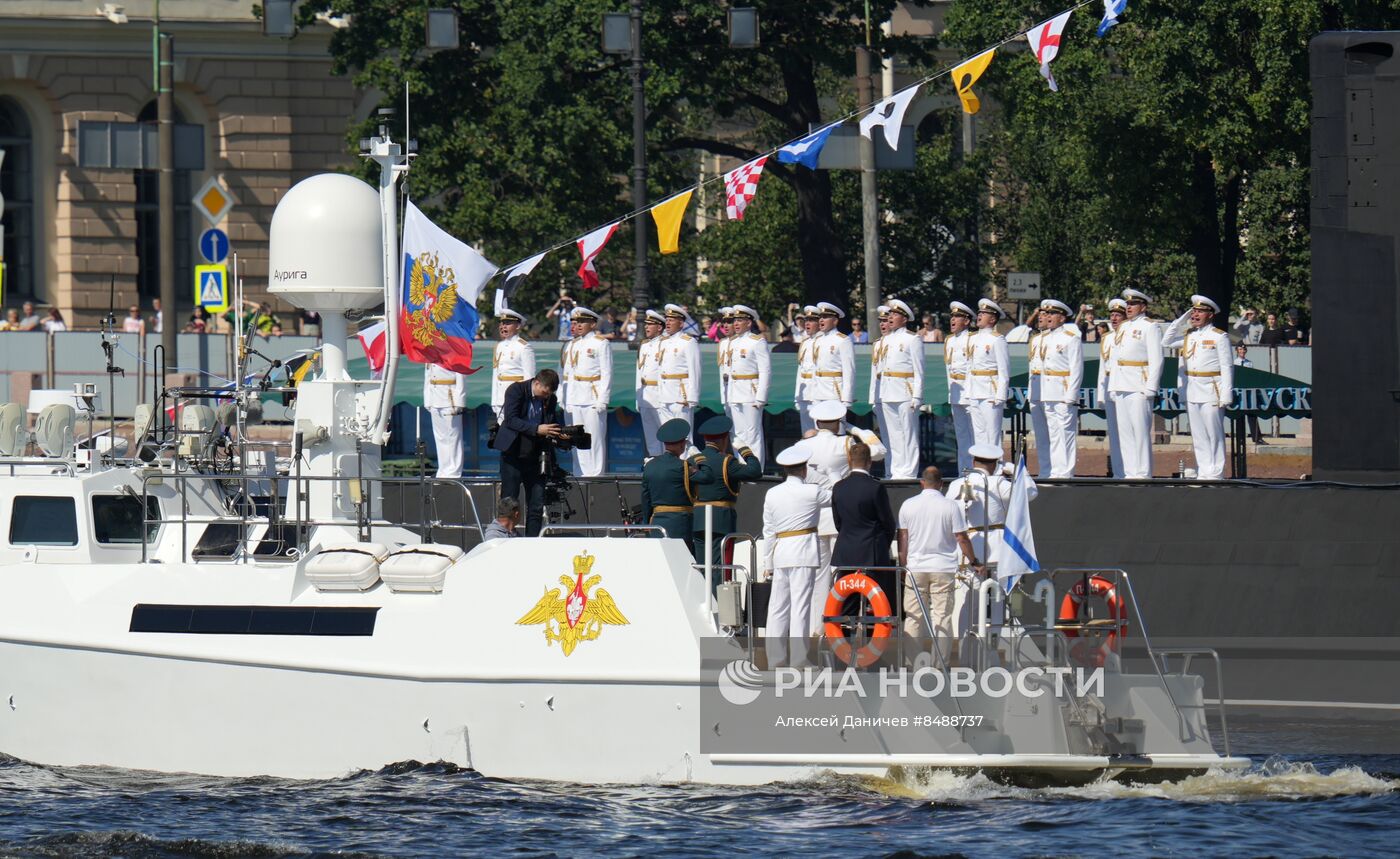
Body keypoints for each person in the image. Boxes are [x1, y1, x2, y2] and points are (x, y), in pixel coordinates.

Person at [899, 466, 980, 661]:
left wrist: (904, 565)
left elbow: (903, 538)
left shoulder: (907, 505)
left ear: (922, 483)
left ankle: (913, 663)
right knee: (942, 617)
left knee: (913, 617)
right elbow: (961, 538)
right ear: (941, 484)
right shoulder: (951, 506)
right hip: (942, 568)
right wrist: (974, 561)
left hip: (915, 567)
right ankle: (939, 665)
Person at [762, 441, 830, 667]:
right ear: (804, 469)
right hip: (803, 552)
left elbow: (769, 531)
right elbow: (837, 494)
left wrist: (768, 562)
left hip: (781, 552)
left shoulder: (772, 493)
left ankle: (775, 658)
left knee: (778, 607)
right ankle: (799, 659)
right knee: (800, 606)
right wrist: (830, 473)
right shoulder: (812, 490)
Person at [1162, 295, 1233, 480]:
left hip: (1211, 389)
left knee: (1213, 433)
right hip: (1192, 388)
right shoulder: (1189, 336)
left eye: (1199, 312)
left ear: (1210, 315)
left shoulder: (1219, 336)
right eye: (1193, 311)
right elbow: (1166, 341)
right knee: (1199, 434)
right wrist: (1182, 318)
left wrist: (1226, 393)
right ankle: (1204, 470)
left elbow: (1227, 366)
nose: (1195, 315)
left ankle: (1216, 472)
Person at [493, 369, 568, 537]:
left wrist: (560, 433)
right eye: (543, 392)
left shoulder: (550, 398)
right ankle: (505, 538)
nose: (544, 397)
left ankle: (532, 541)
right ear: (536, 383)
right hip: (513, 454)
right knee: (509, 502)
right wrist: (536, 429)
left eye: (548, 395)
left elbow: (550, 422)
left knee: (536, 504)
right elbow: (511, 419)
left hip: (536, 456)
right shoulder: (516, 390)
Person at [690, 415, 763, 583]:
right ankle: (717, 604)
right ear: (724, 439)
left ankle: (703, 601)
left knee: (701, 565)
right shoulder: (727, 462)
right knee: (720, 566)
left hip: (698, 518)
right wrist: (744, 450)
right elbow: (755, 471)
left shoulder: (693, 460)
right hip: (721, 520)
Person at [945, 443, 1037, 574]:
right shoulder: (998, 483)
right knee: (995, 594)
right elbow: (1031, 493)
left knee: (969, 593)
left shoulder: (955, 484)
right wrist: (1018, 470)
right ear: (995, 465)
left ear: (973, 462)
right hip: (996, 552)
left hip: (964, 552)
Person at [831, 442, 898, 603]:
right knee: (876, 604)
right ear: (869, 462)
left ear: (849, 462)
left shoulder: (838, 487)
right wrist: (883, 544)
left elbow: (838, 522)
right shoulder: (875, 487)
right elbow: (888, 523)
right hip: (872, 553)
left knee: (847, 604)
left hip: (846, 553)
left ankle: (845, 629)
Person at [1108, 288, 1163, 479]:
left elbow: (1157, 359)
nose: (1128, 307)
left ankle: (1143, 472)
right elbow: (1115, 358)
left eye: (1132, 304)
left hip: (1139, 384)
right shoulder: (1123, 327)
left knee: (1140, 431)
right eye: (1128, 304)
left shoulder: (1150, 326)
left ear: (1143, 306)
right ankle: (1130, 472)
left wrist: (1151, 387)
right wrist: (1113, 386)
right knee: (1125, 433)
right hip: (1122, 383)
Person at [640, 418, 714, 556]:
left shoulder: (650, 466)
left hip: (656, 523)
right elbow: (707, 476)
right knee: (681, 563)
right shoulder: (683, 467)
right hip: (679, 523)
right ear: (682, 444)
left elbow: (646, 499)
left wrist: (647, 523)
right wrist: (698, 456)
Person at [872, 298, 924, 479]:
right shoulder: (884, 341)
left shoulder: (912, 339)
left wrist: (917, 396)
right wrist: (874, 397)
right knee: (893, 436)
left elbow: (919, 371)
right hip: (887, 391)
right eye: (890, 314)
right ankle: (896, 471)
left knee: (909, 434)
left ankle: (909, 472)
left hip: (905, 391)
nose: (891, 317)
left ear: (904, 318)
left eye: (895, 314)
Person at [560, 305, 612, 476]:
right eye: (577, 321)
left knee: (594, 438)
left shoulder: (600, 343)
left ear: (593, 324)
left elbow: (606, 373)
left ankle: (596, 474)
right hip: (574, 397)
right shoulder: (571, 345)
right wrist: (563, 397)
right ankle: (579, 473)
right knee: (576, 438)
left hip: (592, 396)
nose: (579, 325)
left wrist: (603, 399)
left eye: (583, 321)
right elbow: (565, 374)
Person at [1036, 299, 1083, 479]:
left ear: (1062, 318)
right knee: (1054, 433)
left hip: (1063, 391)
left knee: (1066, 433)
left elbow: (1076, 368)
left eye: (1052, 314)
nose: (1048, 318)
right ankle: (1056, 470)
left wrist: (1072, 394)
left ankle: (1066, 471)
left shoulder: (1071, 339)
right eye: (1047, 314)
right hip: (1048, 391)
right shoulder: (1046, 339)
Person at [724, 305, 770, 462]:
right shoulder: (733, 342)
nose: (736, 324)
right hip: (735, 391)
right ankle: (742, 467)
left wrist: (761, 397)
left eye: (740, 320)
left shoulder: (757, 342)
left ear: (749, 323)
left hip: (751, 392)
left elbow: (765, 371)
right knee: (738, 434)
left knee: (753, 434)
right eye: (735, 321)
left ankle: (755, 470)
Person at [967, 299, 1009, 454]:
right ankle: (982, 469)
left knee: (992, 435)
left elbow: (1004, 370)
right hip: (975, 391)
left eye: (984, 314)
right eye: (979, 313)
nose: (979, 315)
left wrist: (1000, 395)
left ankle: (995, 469)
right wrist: (968, 393)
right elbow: (969, 369)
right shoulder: (972, 339)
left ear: (992, 319)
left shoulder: (997, 339)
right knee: (979, 435)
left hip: (990, 391)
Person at [657, 304, 701, 428]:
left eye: (671, 320)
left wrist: (692, 397)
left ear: (681, 324)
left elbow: (695, 370)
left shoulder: (688, 342)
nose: (667, 323)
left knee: (684, 436)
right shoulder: (664, 342)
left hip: (681, 396)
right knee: (668, 436)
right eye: (666, 320)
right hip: (665, 396)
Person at [944, 301, 976, 474]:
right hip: (956, 393)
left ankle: (976, 469)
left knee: (975, 434)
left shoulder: (972, 338)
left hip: (970, 391)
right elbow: (949, 369)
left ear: (967, 321)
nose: (953, 320)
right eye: (952, 317)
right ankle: (963, 471)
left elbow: (972, 366)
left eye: (957, 317)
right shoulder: (949, 341)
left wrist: (971, 392)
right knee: (962, 436)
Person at [1098, 298, 1128, 478]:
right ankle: (1118, 472)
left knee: (1127, 432)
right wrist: (1101, 394)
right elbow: (1103, 367)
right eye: (1112, 315)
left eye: (1118, 315)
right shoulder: (1107, 338)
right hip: (1110, 386)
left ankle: (1130, 472)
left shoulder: (1128, 335)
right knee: (1115, 435)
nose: (1114, 318)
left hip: (1124, 385)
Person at [423, 361, 468, 479]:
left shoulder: (453, 350)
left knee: (453, 437)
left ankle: (454, 471)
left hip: (450, 398)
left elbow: (461, 376)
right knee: (440, 437)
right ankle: (443, 470)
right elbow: (428, 377)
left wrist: (459, 401)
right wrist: (427, 400)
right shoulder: (431, 352)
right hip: (435, 397)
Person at [491, 309, 536, 425]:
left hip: (516, 398)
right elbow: (496, 375)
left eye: (508, 323)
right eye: (502, 323)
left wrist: (527, 401)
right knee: (503, 434)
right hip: (501, 398)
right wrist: (494, 401)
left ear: (518, 326)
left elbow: (529, 377)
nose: (503, 327)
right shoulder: (499, 346)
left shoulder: (524, 347)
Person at [809, 302, 855, 415]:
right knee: (820, 429)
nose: (821, 320)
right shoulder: (818, 340)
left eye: (825, 317)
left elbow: (849, 370)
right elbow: (815, 368)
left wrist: (847, 398)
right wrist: (812, 393)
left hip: (834, 391)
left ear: (835, 321)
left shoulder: (843, 340)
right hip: (818, 391)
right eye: (820, 317)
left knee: (836, 429)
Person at [635, 309, 667, 458]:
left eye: (650, 325)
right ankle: (655, 461)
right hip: (645, 393)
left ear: (659, 327)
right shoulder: (645, 345)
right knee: (650, 435)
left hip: (659, 393)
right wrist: (638, 396)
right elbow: (639, 372)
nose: (646, 327)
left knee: (664, 432)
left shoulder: (665, 343)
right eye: (646, 324)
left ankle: (667, 463)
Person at [1025, 308, 1051, 478]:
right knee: (1041, 435)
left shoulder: (1059, 338)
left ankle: (1058, 472)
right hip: (1035, 389)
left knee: (1054, 434)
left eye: (1044, 315)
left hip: (1051, 389)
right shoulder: (1035, 339)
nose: (1040, 318)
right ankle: (1045, 470)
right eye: (1039, 315)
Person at [793, 305, 820, 431]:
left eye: (811, 321)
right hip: (805, 393)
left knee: (821, 431)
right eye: (806, 321)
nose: (807, 324)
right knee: (807, 432)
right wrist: (797, 395)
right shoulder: (804, 343)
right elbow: (801, 370)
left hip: (818, 392)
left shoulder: (823, 341)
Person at [1234, 344, 1266, 444]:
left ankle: (1257, 438)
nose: (1242, 351)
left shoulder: (1249, 363)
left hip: (1248, 391)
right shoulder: (1234, 362)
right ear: (1237, 351)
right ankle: (1240, 439)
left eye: (1243, 349)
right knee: (1239, 416)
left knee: (1252, 414)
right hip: (1238, 391)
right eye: (1240, 349)